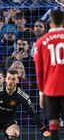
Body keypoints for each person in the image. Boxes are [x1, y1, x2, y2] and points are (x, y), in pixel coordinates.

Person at [0, 69, 51, 140]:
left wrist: (43, 129)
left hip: (9, 120)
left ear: (18, 80)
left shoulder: (22, 95)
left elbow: (32, 114)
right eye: (9, 78)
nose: (10, 81)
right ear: (5, 79)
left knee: (14, 133)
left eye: (13, 79)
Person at [35, 9, 64, 140]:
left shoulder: (41, 42)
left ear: (50, 22)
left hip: (50, 88)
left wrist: (41, 92)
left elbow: (39, 71)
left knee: (53, 123)